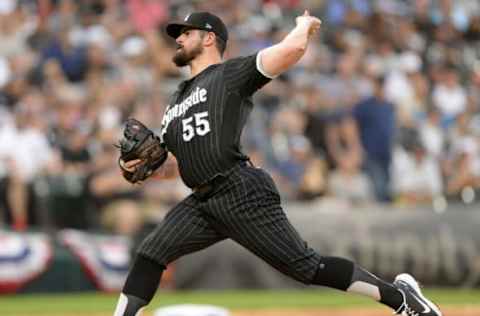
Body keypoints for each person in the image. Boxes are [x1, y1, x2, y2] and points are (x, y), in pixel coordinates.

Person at [113, 11, 442, 316]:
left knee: (306, 267)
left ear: (209, 38)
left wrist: (302, 25)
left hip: (238, 190)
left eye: (186, 33)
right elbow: (175, 166)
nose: (179, 39)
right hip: (201, 201)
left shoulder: (229, 75)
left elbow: (292, 50)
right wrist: (143, 168)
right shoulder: (176, 101)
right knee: (151, 253)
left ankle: (401, 298)